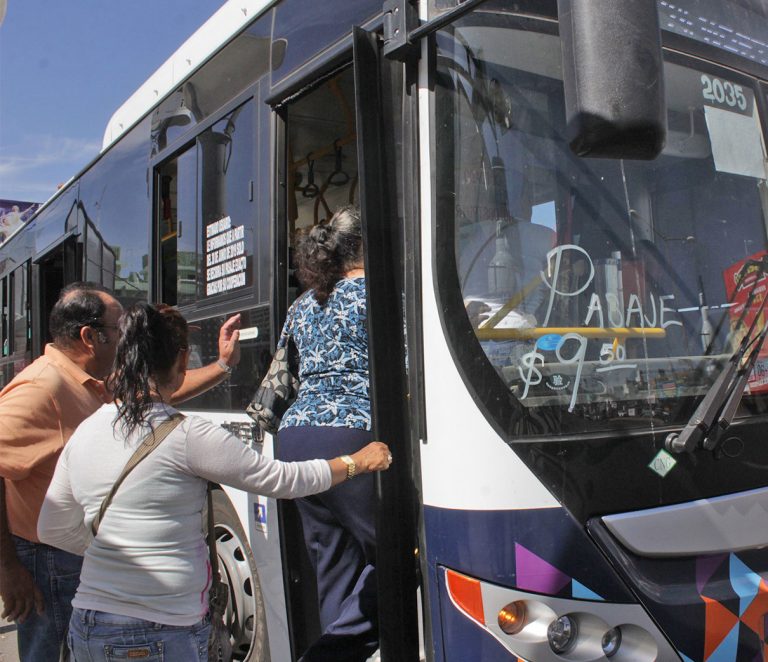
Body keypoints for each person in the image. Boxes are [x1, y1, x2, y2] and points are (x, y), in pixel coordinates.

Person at [37, 302, 392, 661]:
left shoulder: (86, 430)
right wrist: (354, 462)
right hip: (159, 630)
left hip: (88, 625)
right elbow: (281, 480)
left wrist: (114, 553)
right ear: (182, 360)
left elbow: (51, 527)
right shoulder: (186, 434)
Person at [0, 282, 241, 662]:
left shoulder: (93, 381)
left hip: (69, 549)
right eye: (118, 329)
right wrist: (7, 567)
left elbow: (162, 392)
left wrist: (223, 365)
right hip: (45, 561)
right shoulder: (40, 388)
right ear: (89, 337)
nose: (124, 338)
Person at [277, 205, 377, 662]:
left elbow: (288, 369)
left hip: (295, 437)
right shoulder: (375, 295)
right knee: (400, 554)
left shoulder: (303, 304)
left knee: (333, 566)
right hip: (351, 434)